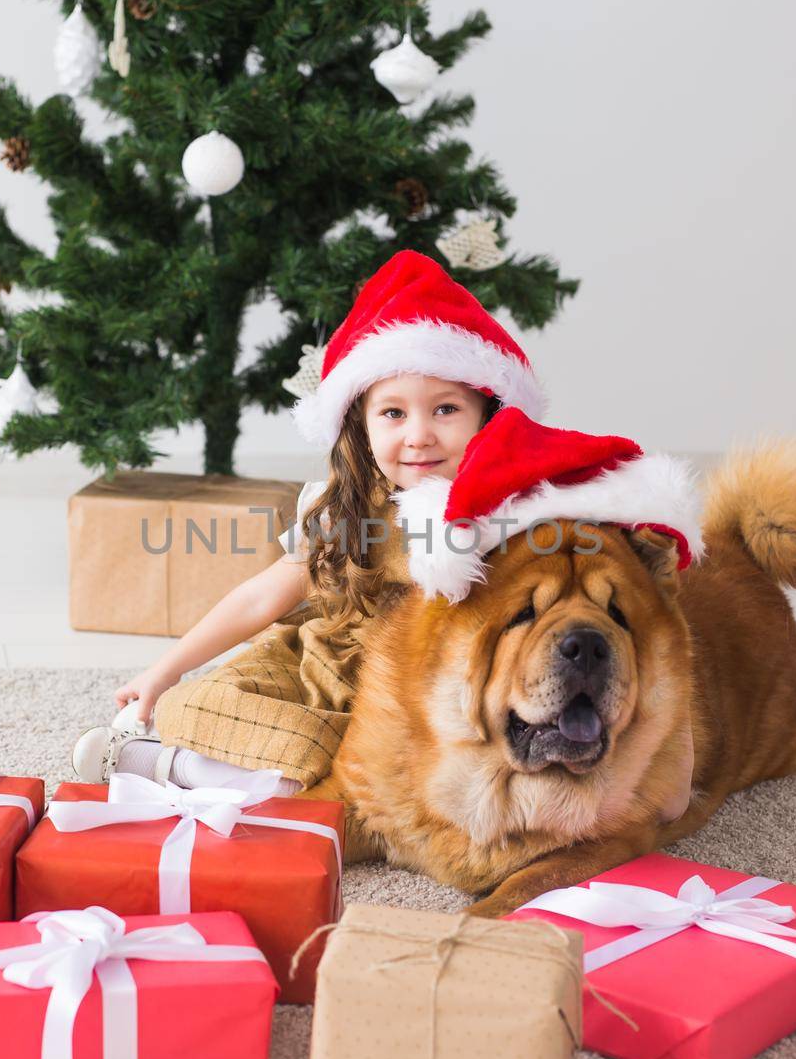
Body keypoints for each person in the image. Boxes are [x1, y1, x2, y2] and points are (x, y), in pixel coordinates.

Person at [71, 249, 547, 791]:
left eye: (445, 409)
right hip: (312, 663)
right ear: (360, 425)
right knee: (199, 704)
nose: (418, 435)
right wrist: (167, 669)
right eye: (393, 413)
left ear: (487, 416)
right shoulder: (349, 505)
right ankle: (185, 758)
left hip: (398, 694)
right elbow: (260, 597)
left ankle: (168, 768)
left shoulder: (505, 515)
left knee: (351, 771)